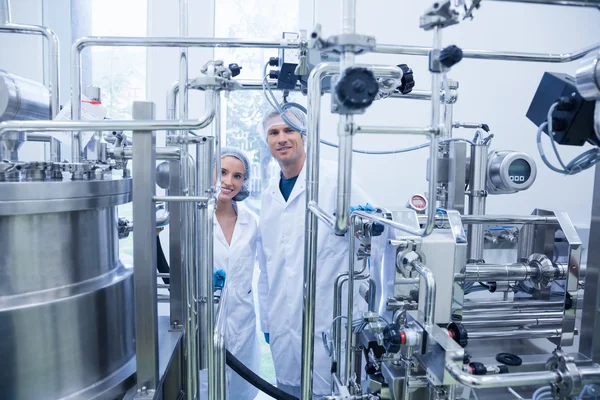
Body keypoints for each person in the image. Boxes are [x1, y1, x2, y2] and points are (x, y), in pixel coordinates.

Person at [257, 107, 370, 398]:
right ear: (267, 140)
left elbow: (373, 240)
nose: (281, 138)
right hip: (284, 321)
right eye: (274, 132)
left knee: (331, 391)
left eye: (289, 130)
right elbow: (268, 265)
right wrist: (268, 321)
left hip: (329, 321)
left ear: (304, 135)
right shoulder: (268, 196)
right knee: (290, 391)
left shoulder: (335, 179)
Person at [213, 147, 260, 399]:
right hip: (205, 324)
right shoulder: (194, 216)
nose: (228, 181)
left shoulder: (251, 221)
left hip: (243, 323)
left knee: (242, 392)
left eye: (237, 176)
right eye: (222, 172)